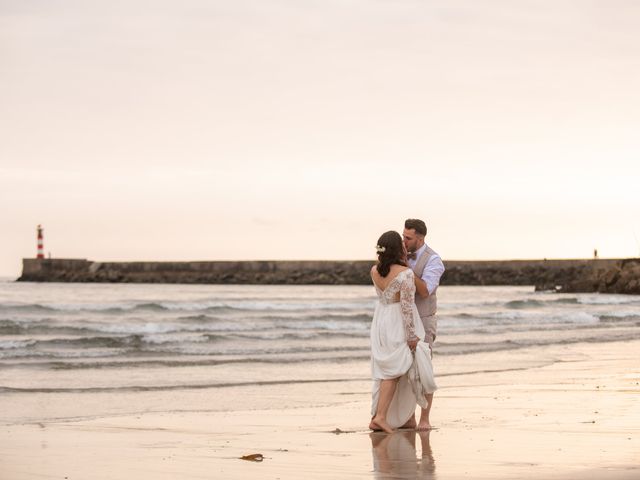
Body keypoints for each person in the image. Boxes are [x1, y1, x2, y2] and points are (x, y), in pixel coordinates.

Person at [369, 230, 437, 434]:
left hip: (381, 320)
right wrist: (412, 335)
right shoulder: (405, 274)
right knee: (397, 369)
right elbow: (407, 307)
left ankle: (400, 417)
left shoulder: (374, 270)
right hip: (398, 321)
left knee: (388, 368)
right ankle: (381, 417)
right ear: (398, 249)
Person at [403, 218, 445, 431]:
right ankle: (407, 416)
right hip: (402, 322)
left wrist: (406, 271)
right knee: (403, 368)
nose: (404, 240)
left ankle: (425, 418)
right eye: (403, 236)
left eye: (408, 238)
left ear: (420, 238)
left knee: (424, 368)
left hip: (424, 320)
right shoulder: (401, 256)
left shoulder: (434, 260)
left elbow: (425, 290)